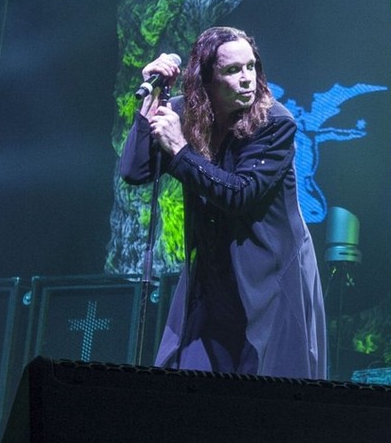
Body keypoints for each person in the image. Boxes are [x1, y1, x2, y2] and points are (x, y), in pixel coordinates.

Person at [119, 26, 326, 378]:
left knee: (268, 394)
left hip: (271, 277)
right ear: (207, 79)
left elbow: (239, 194)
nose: (247, 79)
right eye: (233, 70)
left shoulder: (274, 123)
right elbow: (135, 170)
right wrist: (149, 106)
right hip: (213, 274)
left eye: (251, 67)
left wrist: (180, 150)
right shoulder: (188, 114)